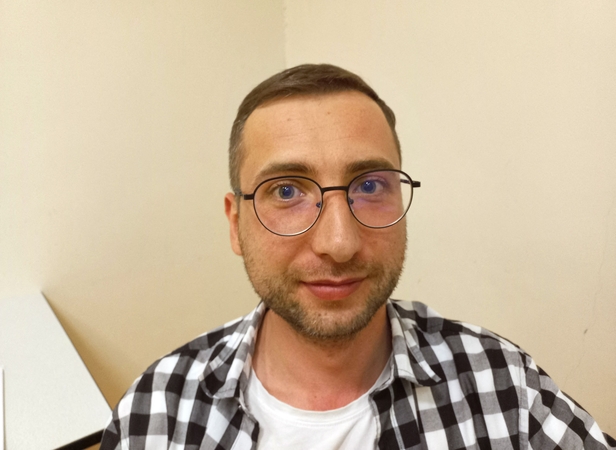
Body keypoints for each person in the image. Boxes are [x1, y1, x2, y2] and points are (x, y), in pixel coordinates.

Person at [100, 64, 615, 449]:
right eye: (286, 191)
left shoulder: (502, 385)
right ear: (236, 224)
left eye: (369, 185)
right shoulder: (157, 412)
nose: (339, 242)